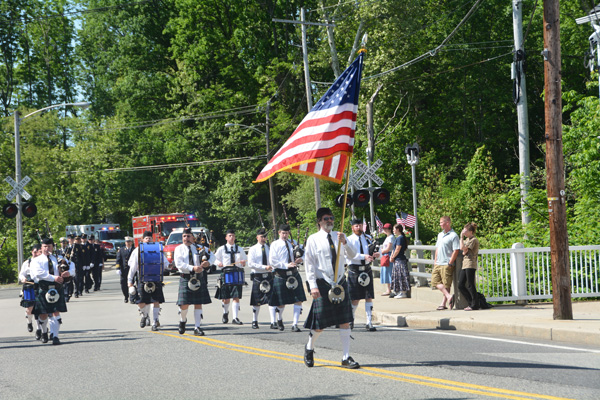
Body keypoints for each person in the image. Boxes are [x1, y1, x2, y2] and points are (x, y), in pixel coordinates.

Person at [303, 207, 360, 369]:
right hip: (322, 284)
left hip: (340, 283)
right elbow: (309, 265)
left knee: (345, 321)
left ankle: (345, 357)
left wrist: (345, 242)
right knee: (320, 324)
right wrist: (312, 286)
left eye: (332, 218)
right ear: (319, 221)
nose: (330, 221)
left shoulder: (340, 236)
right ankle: (309, 347)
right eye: (326, 218)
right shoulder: (313, 239)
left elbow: (353, 255)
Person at [30, 238, 74, 345]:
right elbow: (38, 273)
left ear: (52, 247)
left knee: (55, 312)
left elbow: (72, 266)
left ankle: (55, 336)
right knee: (43, 314)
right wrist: (53, 277)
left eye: (49, 246)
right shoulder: (36, 260)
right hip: (44, 288)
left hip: (57, 288)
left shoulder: (58, 259)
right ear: (41, 248)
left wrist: (69, 273)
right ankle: (44, 331)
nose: (47, 249)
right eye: (45, 247)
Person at [174, 228, 214, 336]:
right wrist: (193, 268)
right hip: (186, 277)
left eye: (188, 236)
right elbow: (179, 264)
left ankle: (197, 327)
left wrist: (208, 263)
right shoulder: (178, 249)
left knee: (198, 303)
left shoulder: (200, 248)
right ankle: (183, 320)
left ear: (193, 237)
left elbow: (212, 256)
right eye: (184, 236)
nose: (186, 238)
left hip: (198, 277)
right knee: (184, 305)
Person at [128, 231, 169, 331]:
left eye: (150, 238)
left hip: (155, 278)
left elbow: (165, 262)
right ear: (142, 239)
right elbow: (132, 267)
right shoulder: (137, 250)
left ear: (152, 239)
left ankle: (155, 322)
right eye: (146, 238)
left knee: (156, 301)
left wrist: (169, 266)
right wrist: (129, 281)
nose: (148, 239)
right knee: (141, 302)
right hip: (142, 278)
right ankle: (145, 315)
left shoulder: (157, 249)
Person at [268, 224, 306, 332]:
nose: (285, 235)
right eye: (283, 233)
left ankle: (295, 324)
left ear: (289, 233)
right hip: (281, 274)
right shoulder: (274, 244)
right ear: (279, 233)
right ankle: (279, 319)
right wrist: (285, 265)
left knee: (298, 300)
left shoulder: (293, 243)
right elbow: (272, 261)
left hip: (294, 274)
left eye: (287, 233)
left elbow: (305, 253)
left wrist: (300, 259)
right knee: (281, 302)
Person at [346, 218, 380, 331]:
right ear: (352, 227)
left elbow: (374, 251)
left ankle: (369, 322)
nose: (358, 227)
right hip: (354, 270)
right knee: (355, 298)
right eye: (356, 226)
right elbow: (350, 255)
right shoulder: (349, 240)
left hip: (366, 269)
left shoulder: (368, 238)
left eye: (360, 225)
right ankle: (351, 319)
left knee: (368, 296)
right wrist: (363, 256)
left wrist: (376, 254)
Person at [214, 229, 247, 325]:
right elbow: (214, 259)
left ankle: (235, 318)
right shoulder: (221, 249)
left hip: (236, 273)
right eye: (230, 236)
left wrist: (243, 262)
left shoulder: (239, 249)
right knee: (226, 298)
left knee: (236, 296)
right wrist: (218, 263)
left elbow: (244, 259)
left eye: (233, 235)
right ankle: (225, 313)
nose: (231, 237)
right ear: (226, 238)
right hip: (225, 273)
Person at [246, 228, 273, 329]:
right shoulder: (253, 249)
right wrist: (264, 267)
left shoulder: (269, 248)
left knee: (271, 299)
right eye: (261, 237)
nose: (263, 238)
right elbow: (251, 264)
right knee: (256, 301)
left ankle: (273, 321)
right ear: (257, 237)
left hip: (269, 275)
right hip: (258, 276)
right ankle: (254, 320)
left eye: (265, 237)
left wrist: (271, 267)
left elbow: (272, 261)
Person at [432, 216, 460, 310]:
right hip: (438, 262)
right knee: (434, 281)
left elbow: (456, 250)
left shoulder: (453, 235)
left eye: (441, 222)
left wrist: (450, 262)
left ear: (447, 223)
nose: (440, 224)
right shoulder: (440, 235)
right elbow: (437, 248)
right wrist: (435, 261)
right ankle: (449, 296)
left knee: (446, 284)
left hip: (446, 263)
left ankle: (444, 304)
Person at [19, 244, 41, 336]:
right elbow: (21, 274)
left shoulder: (43, 262)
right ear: (32, 252)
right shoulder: (26, 263)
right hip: (29, 286)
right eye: (34, 252)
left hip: (39, 286)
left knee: (40, 309)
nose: (36, 254)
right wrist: (23, 279)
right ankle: (29, 322)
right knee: (29, 309)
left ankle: (39, 329)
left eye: (38, 252)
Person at [458, 222, 480, 311]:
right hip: (465, 263)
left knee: (471, 285)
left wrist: (461, 237)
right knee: (461, 285)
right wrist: (463, 240)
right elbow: (462, 249)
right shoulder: (467, 240)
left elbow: (463, 249)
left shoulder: (473, 240)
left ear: (471, 231)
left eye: (466, 231)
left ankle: (474, 304)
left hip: (471, 263)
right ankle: (471, 302)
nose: (464, 232)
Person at [390, 224, 410, 298]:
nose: (393, 231)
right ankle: (398, 291)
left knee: (401, 276)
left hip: (400, 260)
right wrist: (392, 256)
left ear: (398, 229)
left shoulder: (400, 238)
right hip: (397, 260)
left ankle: (403, 292)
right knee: (397, 276)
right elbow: (394, 249)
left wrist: (393, 257)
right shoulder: (397, 238)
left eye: (394, 229)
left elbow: (398, 249)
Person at [116, 237, 135, 303]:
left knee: (132, 284)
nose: (128, 243)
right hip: (124, 270)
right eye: (127, 242)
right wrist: (118, 268)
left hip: (132, 270)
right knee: (123, 284)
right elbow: (118, 260)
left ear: (131, 242)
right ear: (125, 243)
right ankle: (126, 296)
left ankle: (132, 298)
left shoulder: (134, 250)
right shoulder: (121, 250)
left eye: (129, 242)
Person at [378, 223, 395, 296]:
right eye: (384, 228)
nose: (384, 230)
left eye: (386, 229)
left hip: (388, 255)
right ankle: (389, 289)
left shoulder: (391, 237)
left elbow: (388, 248)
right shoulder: (388, 237)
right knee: (386, 272)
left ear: (389, 229)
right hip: (385, 256)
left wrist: (381, 251)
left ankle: (390, 289)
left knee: (389, 272)